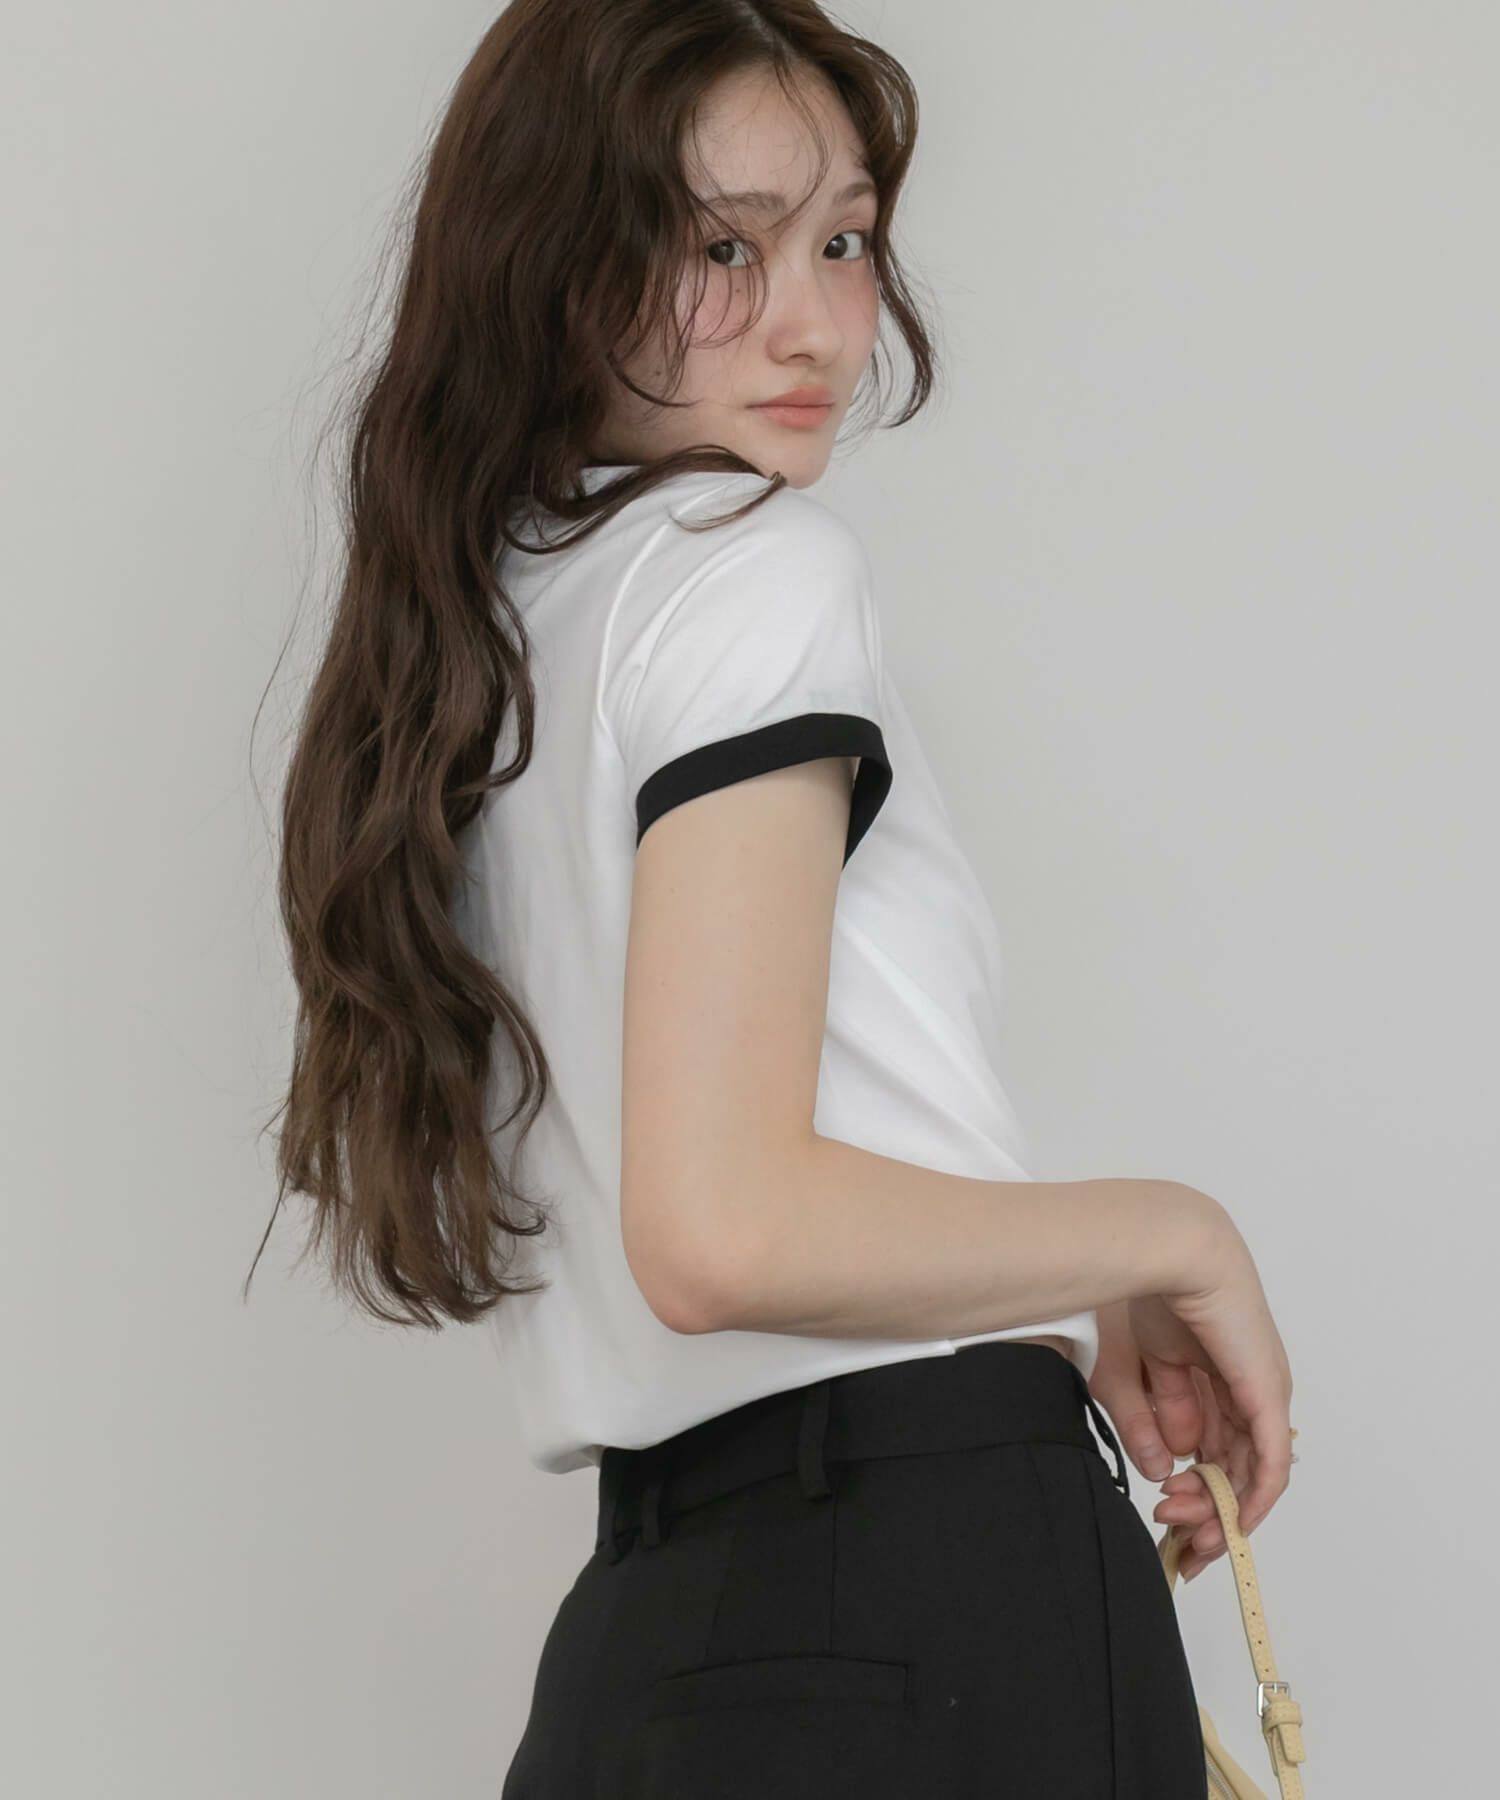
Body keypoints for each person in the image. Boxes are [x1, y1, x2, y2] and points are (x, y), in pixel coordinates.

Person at [258, 1, 1295, 1792]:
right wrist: (1172, 1237)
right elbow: (723, 1228)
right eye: (723, 249)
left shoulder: (498, 641)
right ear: (553, 263)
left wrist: (1061, 1289)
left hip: (658, 1636)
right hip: (920, 1589)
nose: (814, 325)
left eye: (844, 241)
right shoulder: (752, 572)